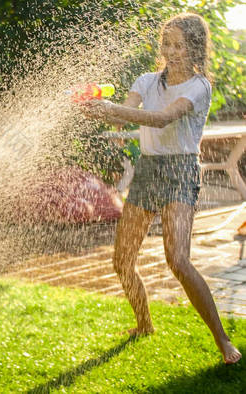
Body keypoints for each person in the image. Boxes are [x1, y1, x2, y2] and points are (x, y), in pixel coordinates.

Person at [82, 12, 241, 364]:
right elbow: (125, 113)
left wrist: (114, 111)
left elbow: (163, 118)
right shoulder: (146, 80)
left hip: (181, 170)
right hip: (149, 169)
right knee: (122, 260)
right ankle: (144, 324)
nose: (171, 50)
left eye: (179, 45)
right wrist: (96, 109)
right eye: (167, 43)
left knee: (178, 260)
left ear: (195, 48)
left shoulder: (199, 87)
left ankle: (224, 342)